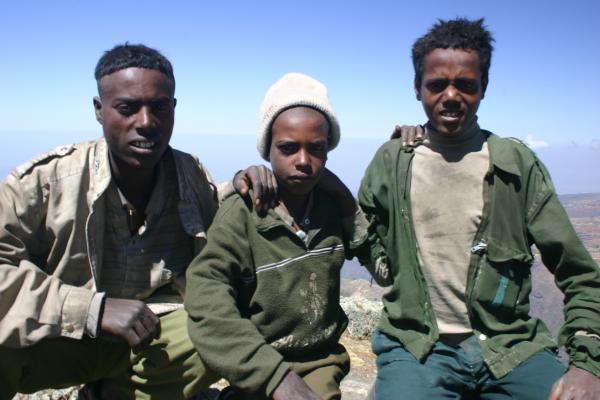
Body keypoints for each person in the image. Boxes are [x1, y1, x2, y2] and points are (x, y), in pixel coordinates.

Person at [0, 43, 271, 400]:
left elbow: (215, 210)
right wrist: (92, 310)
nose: (146, 123)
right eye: (127, 108)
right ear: (99, 110)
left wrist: (244, 184)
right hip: (59, 339)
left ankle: (112, 393)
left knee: (214, 331)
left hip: (147, 341)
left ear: (173, 109)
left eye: (159, 107)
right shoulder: (45, 184)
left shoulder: (189, 175)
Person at [355, 18, 600, 399]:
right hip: (418, 347)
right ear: (417, 88)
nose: (451, 96)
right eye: (437, 84)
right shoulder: (392, 161)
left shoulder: (515, 165)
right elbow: (362, 234)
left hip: (509, 346)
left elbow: (578, 273)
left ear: (484, 86)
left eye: (466, 85)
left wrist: (587, 365)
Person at [185, 73, 364, 400]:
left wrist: (344, 199)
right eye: (288, 148)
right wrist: (275, 377)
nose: (303, 161)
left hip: (319, 361)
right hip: (259, 360)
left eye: (317, 148)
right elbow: (208, 295)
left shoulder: (332, 209)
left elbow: (379, 259)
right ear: (267, 150)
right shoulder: (243, 213)